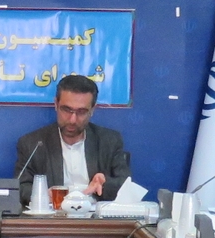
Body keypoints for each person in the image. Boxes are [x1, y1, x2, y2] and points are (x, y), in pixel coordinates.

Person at [14, 74, 129, 204]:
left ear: (92, 110)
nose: (72, 120)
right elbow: (20, 187)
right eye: (66, 110)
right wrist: (44, 195)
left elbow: (126, 185)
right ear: (56, 104)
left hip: (94, 214)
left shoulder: (109, 141)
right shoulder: (32, 143)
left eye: (81, 112)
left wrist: (103, 185)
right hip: (54, 215)